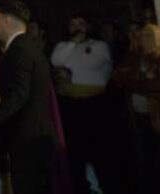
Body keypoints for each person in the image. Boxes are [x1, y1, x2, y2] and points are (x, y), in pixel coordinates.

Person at [0, 0, 56, 194]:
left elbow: (19, 95)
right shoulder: (28, 47)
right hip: (33, 139)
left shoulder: (19, 49)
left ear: (7, 20)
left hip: (28, 140)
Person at [112, 23, 160, 194]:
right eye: (141, 35)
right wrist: (142, 80)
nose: (142, 39)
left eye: (148, 35)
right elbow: (118, 78)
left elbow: (158, 84)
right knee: (144, 162)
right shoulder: (133, 58)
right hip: (138, 119)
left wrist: (137, 81)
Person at [50, 14, 116, 193]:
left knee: (100, 151)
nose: (76, 27)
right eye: (72, 24)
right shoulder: (62, 46)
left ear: (88, 26)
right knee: (75, 152)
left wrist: (69, 64)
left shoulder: (99, 46)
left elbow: (92, 64)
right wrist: (74, 43)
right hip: (72, 105)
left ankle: (105, 187)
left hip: (96, 105)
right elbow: (56, 61)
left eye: (80, 24)